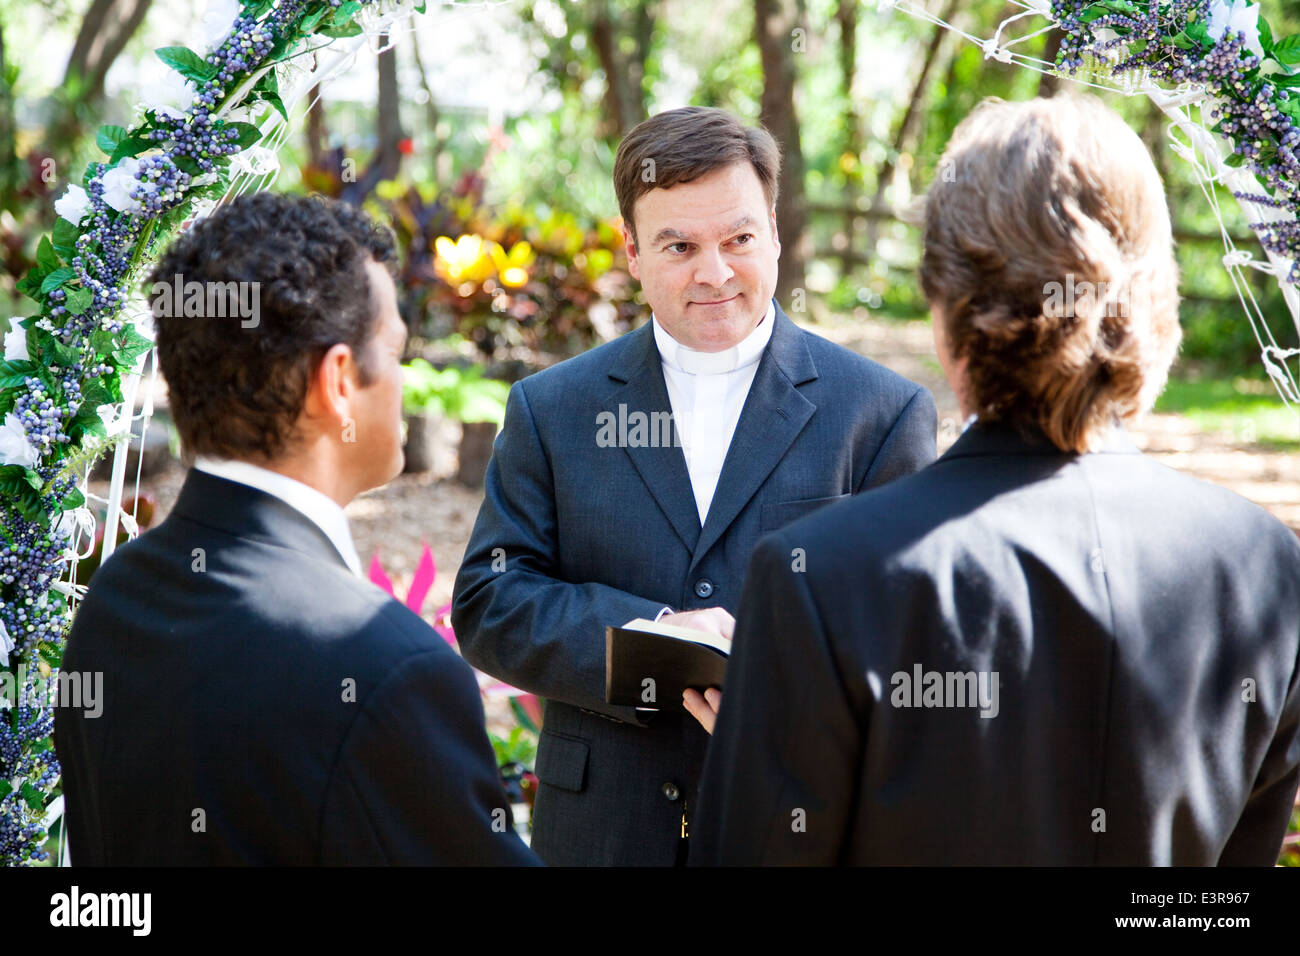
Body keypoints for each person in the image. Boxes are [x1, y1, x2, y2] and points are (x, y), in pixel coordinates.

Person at [690, 94, 1300, 866]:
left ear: (947, 313)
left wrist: (771, 741)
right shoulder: (1264, 565)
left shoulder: (821, 580)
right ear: (1152, 299)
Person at [452, 106, 937, 866]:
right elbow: (490, 601)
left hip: (790, 828)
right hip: (603, 835)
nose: (714, 272)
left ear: (774, 230)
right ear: (633, 251)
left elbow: (909, 638)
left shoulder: (879, 414)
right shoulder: (552, 409)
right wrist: (648, 636)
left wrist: (784, 695)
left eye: (739, 239)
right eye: (679, 245)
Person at [55, 193, 539, 866]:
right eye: (395, 350)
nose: (402, 379)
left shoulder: (115, 599)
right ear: (339, 380)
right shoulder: (388, 669)